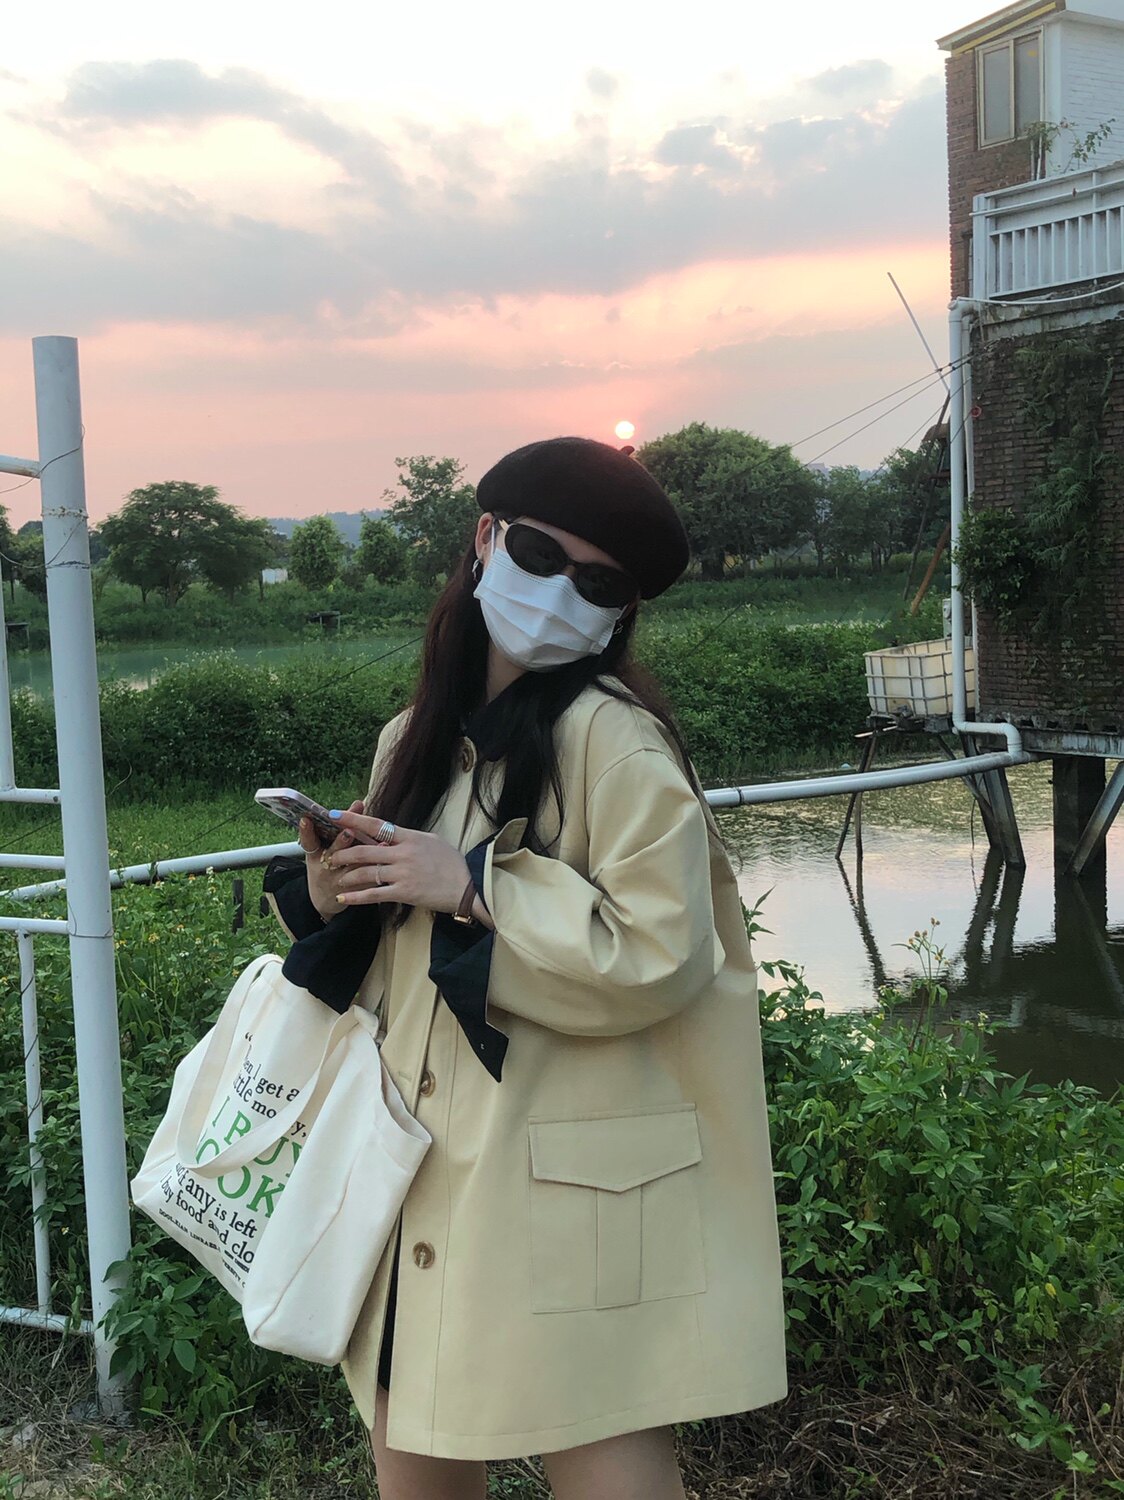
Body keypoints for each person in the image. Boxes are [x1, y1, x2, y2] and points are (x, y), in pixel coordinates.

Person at [265, 436, 787, 1500]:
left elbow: (663, 952)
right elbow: (399, 960)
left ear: (618, 614)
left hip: (573, 1187)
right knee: (414, 1434)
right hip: (419, 1161)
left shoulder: (614, 742)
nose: (557, 594)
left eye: (596, 585)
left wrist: (471, 883)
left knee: (598, 1439)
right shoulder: (413, 738)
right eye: (541, 557)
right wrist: (335, 889)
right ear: (485, 540)